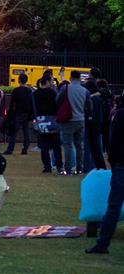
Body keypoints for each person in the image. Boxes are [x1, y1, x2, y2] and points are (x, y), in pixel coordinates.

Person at [86, 93, 124, 254]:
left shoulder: (119, 115)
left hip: (121, 164)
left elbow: (112, 141)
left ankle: (103, 243)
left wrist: (114, 162)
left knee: (113, 207)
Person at [56, 70, 89, 174]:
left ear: (70, 78)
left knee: (68, 145)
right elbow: (90, 106)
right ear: (80, 78)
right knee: (80, 145)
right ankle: (79, 168)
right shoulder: (85, 91)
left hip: (68, 120)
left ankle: (68, 169)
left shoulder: (66, 88)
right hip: (80, 120)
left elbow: (57, 100)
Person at [33, 76, 63, 173]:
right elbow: (58, 105)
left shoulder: (35, 94)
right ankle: (59, 166)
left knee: (44, 145)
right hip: (53, 120)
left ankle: (47, 167)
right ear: (47, 82)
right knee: (56, 146)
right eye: (51, 81)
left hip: (41, 121)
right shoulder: (53, 93)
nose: (52, 83)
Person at [4, 73, 34, 156]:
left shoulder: (16, 90)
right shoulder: (29, 91)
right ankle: (25, 149)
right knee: (26, 131)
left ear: (19, 80)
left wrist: (10, 113)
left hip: (18, 113)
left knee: (13, 132)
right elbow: (31, 103)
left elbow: (12, 103)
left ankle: (10, 149)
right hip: (27, 114)